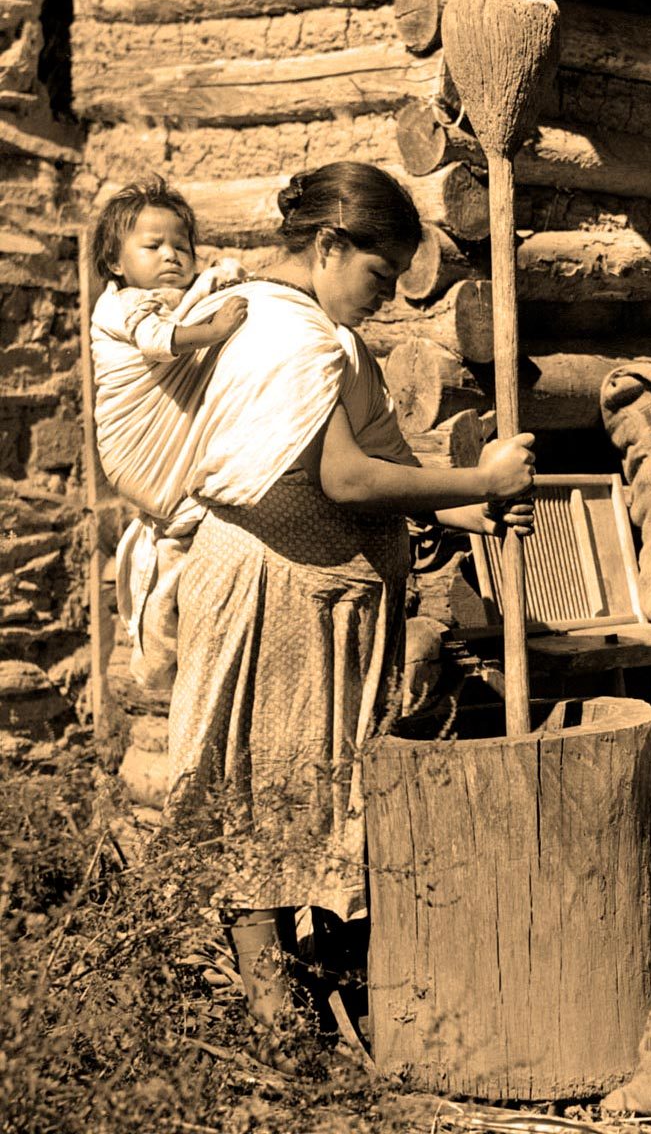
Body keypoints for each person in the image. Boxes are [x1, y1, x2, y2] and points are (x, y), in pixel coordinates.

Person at [159, 161, 536, 1056]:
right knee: (261, 792)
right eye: (377, 274)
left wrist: (465, 504)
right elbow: (346, 478)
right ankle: (273, 1018)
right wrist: (476, 475)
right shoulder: (291, 340)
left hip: (307, 597)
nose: (387, 298)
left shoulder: (325, 338)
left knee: (298, 797)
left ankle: (305, 1003)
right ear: (329, 246)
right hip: (268, 591)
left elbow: (388, 465)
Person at [90, 177, 249, 689]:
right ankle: (159, 653)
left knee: (179, 542)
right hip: (135, 446)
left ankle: (165, 652)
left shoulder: (169, 299)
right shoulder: (122, 303)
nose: (172, 257)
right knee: (180, 525)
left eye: (182, 246)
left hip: (167, 450)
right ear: (115, 263)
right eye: (153, 246)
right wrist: (217, 328)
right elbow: (161, 342)